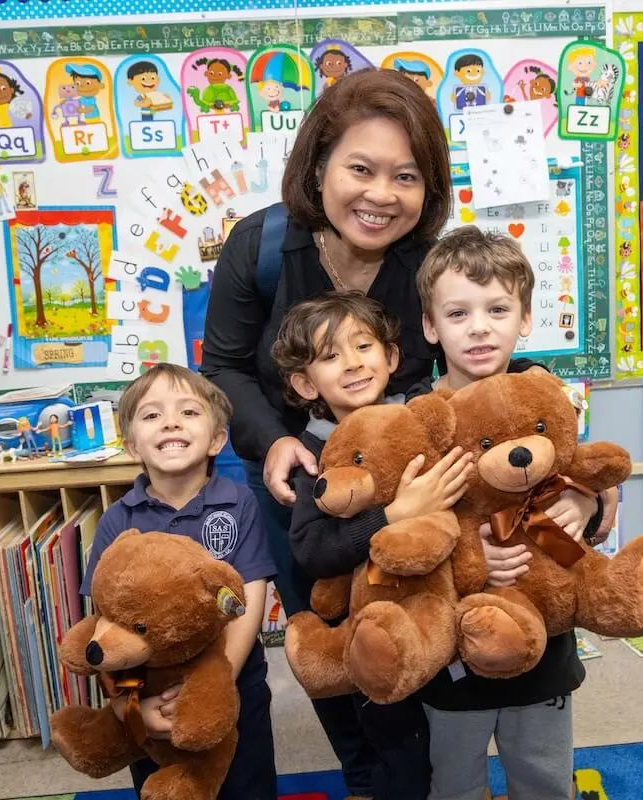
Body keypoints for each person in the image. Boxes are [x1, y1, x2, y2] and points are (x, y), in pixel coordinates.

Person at [200, 68, 452, 799]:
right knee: (324, 624)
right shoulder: (262, 245)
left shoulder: (425, 261)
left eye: (406, 176)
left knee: (408, 614)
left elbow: (469, 355)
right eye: (362, 169)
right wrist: (276, 441)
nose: (381, 195)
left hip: (399, 468)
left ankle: (419, 769)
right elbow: (222, 365)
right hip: (288, 469)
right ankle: (365, 774)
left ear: (427, 188)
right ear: (318, 166)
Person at [411, 226, 616, 800]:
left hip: (544, 643)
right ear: (431, 326)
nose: (479, 326)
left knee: (544, 773)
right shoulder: (420, 420)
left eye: (497, 309)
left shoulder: (547, 396)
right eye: (457, 313)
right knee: (453, 778)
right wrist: (471, 557)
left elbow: (601, 478)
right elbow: (408, 528)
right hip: (457, 641)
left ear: (524, 318)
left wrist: (585, 498)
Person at [273, 291, 474, 798]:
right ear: (304, 382)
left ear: (391, 357)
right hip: (372, 632)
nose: (353, 363)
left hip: (440, 618)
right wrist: (394, 515)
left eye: (363, 346)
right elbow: (312, 552)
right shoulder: (315, 457)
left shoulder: (422, 421)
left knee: (453, 751)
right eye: (330, 356)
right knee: (398, 756)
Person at [80, 363, 277, 799]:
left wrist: (219, 681)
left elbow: (249, 597)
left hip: (233, 685)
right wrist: (126, 707)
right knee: (165, 788)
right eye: (152, 415)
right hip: (150, 693)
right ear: (132, 445)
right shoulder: (119, 520)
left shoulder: (238, 503)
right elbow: (104, 626)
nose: (170, 421)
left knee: (246, 783)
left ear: (217, 439)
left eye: (188, 412)